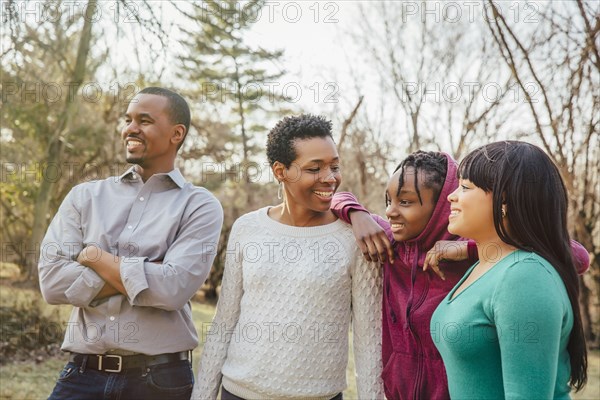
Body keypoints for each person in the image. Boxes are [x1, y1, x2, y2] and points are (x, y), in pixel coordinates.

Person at [330, 150, 589, 399]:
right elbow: (334, 198)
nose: (390, 211)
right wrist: (357, 214)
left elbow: (577, 255)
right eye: (389, 201)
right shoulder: (389, 244)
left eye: (406, 201)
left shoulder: (491, 258)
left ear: (442, 205)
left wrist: (468, 249)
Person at [39, 87, 224, 400]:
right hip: (81, 376)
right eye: (128, 119)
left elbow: (173, 289)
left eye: (145, 120)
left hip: (161, 381)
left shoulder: (199, 205)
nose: (130, 128)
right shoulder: (85, 197)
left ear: (176, 133)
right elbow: (52, 282)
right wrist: (146, 272)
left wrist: (96, 257)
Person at [192, 114, 384, 400]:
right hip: (239, 392)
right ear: (280, 171)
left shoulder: (355, 238)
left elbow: (369, 342)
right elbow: (224, 323)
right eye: (314, 168)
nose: (330, 178)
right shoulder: (248, 228)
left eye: (334, 166)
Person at [431, 141, 588, 399]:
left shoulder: (524, 276)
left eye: (465, 187)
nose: (451, 196)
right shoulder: (485, 267)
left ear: (503, 200)